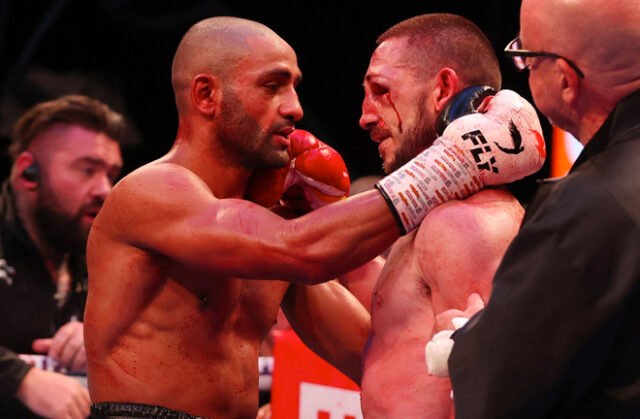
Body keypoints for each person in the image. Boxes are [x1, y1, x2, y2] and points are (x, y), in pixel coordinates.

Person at [83, 16, 544, 419]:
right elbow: (303, 249)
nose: (295, 108)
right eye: (272, 85)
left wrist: (327, 219)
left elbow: (381, 360)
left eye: (294, 86)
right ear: (207, 95)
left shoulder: (273, 235)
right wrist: (455, 163)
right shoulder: (151, 193)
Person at [448, 0, 640, 417]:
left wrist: (477, 335)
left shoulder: (588, 208)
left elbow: (499, 393)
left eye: (526, 58)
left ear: (567, 81)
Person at [353, 14, 538, 418]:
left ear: (443, 89)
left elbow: (499, 395)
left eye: (381, 91)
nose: (365, 116)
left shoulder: (462, 223)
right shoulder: (429, 223)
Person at [0, 95, 125, 418]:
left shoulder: (97, 247)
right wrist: (19, 379)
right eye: (87, 169)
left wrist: (101, 336)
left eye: (111, 174)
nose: (105, 190)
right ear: (29, 172)